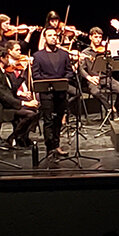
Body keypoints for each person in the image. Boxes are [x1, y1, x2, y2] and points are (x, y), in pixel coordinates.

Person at [32, 27, 73, 157]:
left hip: (60, 92)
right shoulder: (38, 56)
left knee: (58, 120)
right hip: (47, 93)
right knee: (48, 120)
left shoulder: (64, 54)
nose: (53, 37)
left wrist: (64, 79)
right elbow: (36, 74)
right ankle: (50, 147)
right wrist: (51, 81)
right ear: (45, 38)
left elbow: (69, 71)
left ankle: (57, 144)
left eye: (55, 35)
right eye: (50, 35)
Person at [0, 46, 39, 147]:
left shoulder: (2, 71)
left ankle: (22, 137)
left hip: (8, 104)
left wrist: (23, 72)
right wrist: (24, 103)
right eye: (7, 57)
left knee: (38, 108)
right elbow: (4, 96)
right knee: (31, 114)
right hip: (1, 108)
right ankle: (14, 137)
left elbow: (13, 88)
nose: (9, 60)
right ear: (2, 59)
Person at [80, 27, 119, 120]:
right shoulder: (85, 52)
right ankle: (111, 110)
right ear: (90, 37)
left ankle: (115, 110)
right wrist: (89, 77)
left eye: (100, 37)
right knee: (96, 92)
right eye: (95, 37)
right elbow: (80, 68)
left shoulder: (105, 51)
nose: (98, 39)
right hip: (93, 79)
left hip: (106, 77)